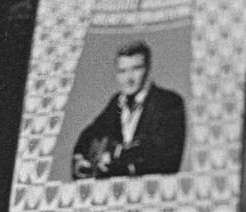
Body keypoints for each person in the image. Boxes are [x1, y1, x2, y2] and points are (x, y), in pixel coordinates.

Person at [73, 41, 187, 178]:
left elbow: (168, 159)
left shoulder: (169, 102)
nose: (129, 78)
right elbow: (91, 133)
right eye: (122, 71)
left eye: (136, 69)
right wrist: (79, 161)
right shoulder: (116, 102)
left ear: (148, 68)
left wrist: (122, 167)